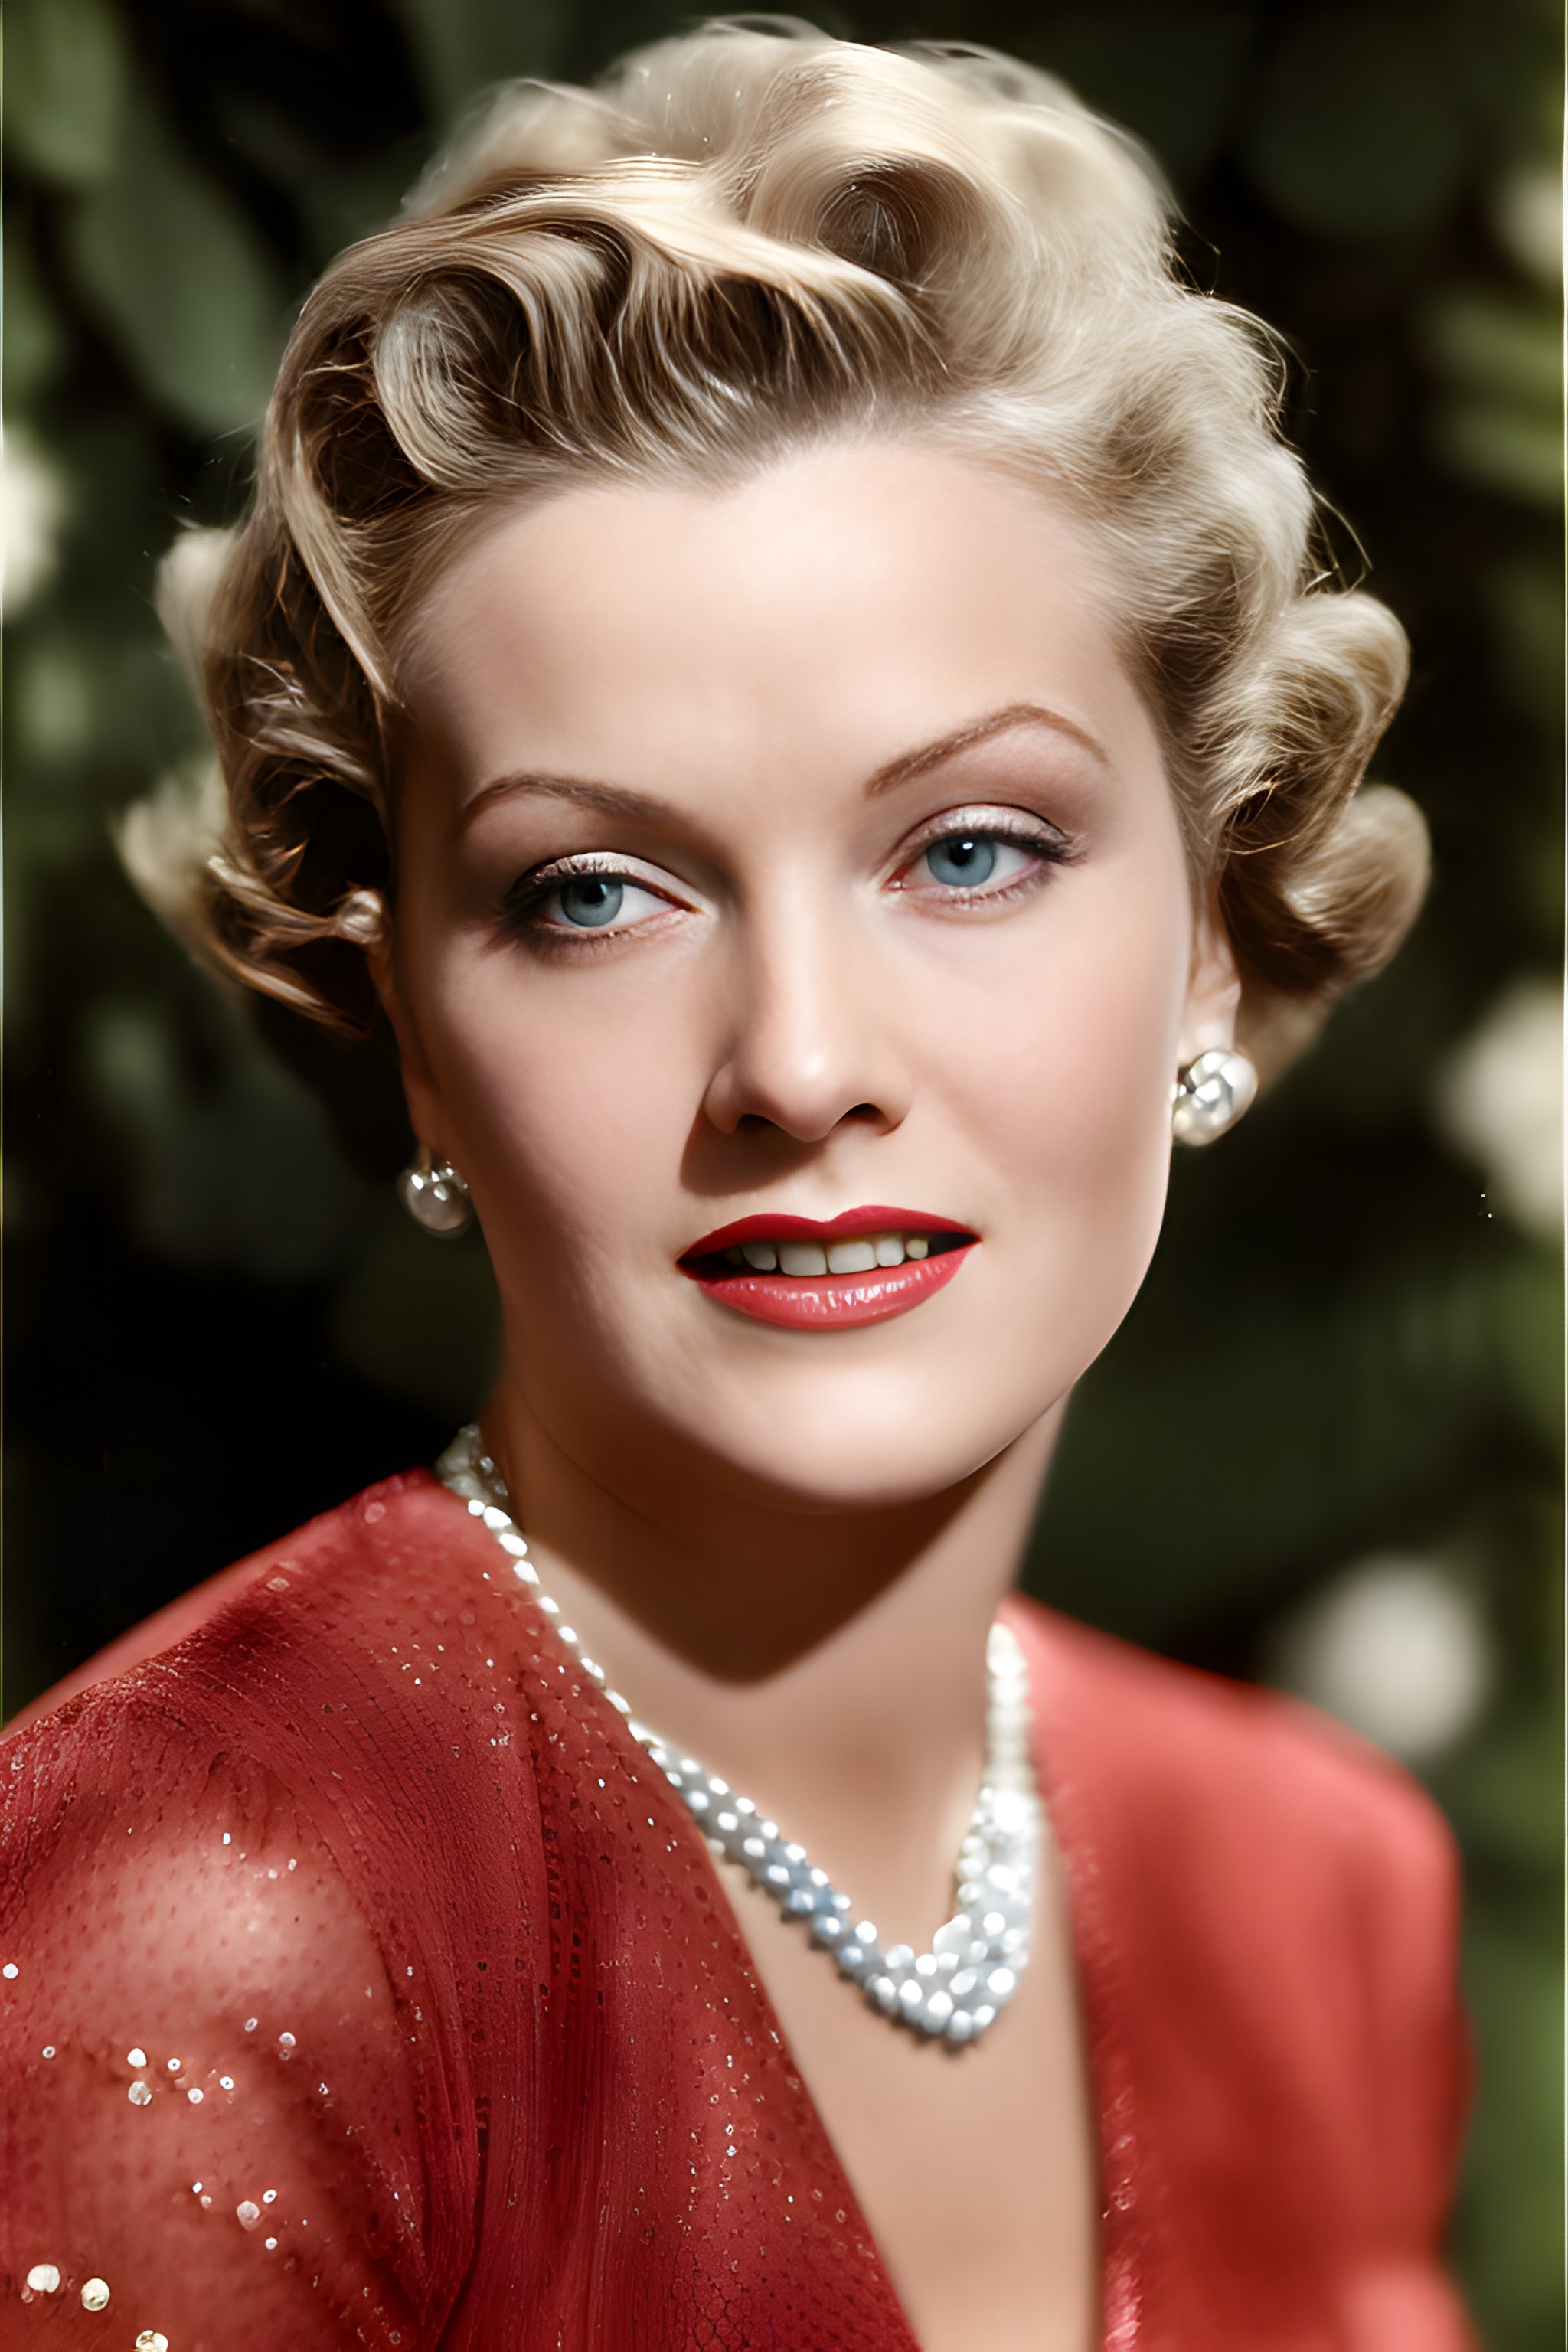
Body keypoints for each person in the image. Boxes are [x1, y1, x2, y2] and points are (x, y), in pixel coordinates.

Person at [0, 23, 1470, 2349]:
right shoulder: (191, 1918)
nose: (798, 1064)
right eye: (592, 894)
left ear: (1211, 932)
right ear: (407, 1025)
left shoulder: (1310, 1893)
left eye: (969, 851)